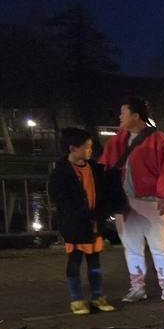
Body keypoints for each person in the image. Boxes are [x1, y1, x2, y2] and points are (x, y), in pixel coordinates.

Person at [98, 97, 164, 303]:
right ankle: (137, 286)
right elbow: (104, 168)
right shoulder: (117, 140)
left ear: (136, 115)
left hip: (152, 201)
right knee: (132, 248)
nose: (119, 117)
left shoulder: (160, 140)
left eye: (123, 112)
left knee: (159, 247)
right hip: (124, 202)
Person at [48, 128, 121, 315]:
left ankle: (97, 297)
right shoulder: (61, 173)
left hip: (93, 222)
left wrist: (102, 211)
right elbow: (60, 198)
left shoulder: (94, 168)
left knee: (94, 261)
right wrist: (81, 212)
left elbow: (102, 192)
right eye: (87, 147)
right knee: (75, 261)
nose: (90, 150)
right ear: (73, 149)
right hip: (75, 223)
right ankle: (76, 299)